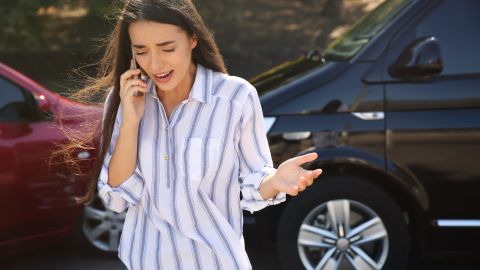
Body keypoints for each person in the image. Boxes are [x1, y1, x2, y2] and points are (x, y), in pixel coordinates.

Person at [76, 0, 322, 269]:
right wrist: (131, 121)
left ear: (193, 38)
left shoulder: (235, 97)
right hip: (146, 261)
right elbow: (117, 198)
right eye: (142, 51)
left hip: (217, 261)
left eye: (167, 48)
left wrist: (275, 180)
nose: (155, 63)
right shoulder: (124, 99)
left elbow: (253, 181)